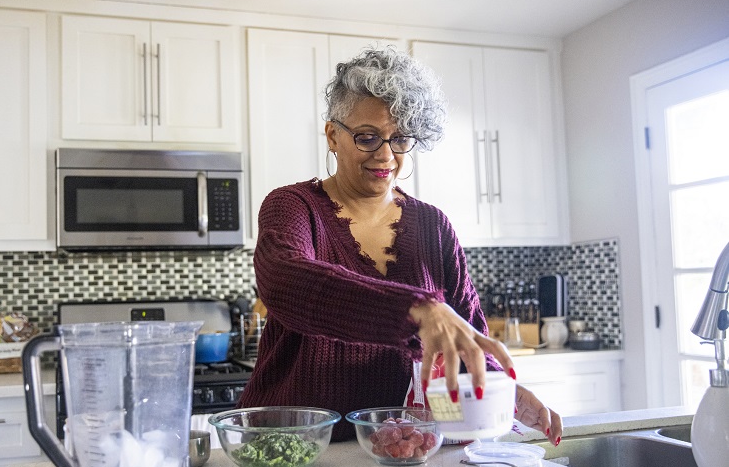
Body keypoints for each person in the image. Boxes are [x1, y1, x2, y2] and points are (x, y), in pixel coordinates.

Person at [236, 46, 563, 444]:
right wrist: (415, 309)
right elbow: (285, 280)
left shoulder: (433, 225)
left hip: (402, 451)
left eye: (400, 138)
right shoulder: (292, 206)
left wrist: (501, 391)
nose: (386, 155)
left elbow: (466, 333)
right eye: (367, 137)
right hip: (293, 449)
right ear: (333, 136)